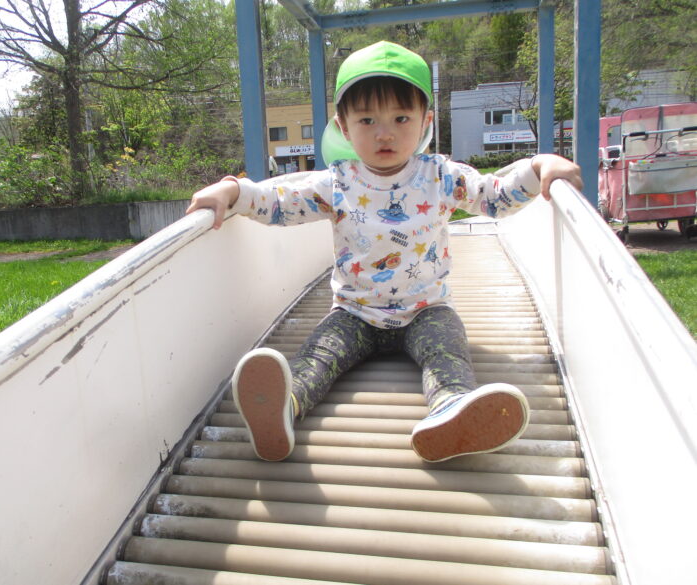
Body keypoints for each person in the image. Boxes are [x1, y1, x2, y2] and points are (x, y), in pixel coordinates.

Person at [186, 41, 583, 463]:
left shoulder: (441, 176)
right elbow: (282, 203)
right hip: (354, 312)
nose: (385, 133)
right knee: (319, 354)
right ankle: (284, 408)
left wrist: (539, 167)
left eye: (401, 118)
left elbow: (494, 197)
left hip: (426, 309)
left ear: (425, 121)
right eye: (367, 120)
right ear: (343, 127)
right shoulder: (337, 182)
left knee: (446, 352)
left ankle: (452, 411)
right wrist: (233, 191)